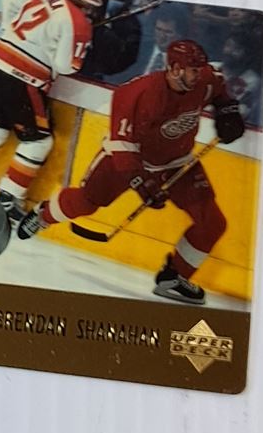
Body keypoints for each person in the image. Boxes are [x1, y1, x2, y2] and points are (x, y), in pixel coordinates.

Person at [18, 39, 244, 303]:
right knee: (87, 202)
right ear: (174, 68)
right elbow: (123, 149)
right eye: (193, 69)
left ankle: (173, 278)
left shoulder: (205, 79)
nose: (199, 74)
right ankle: (44, 215)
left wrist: (228, 112)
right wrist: (143, 185)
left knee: (212, 222)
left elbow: (220, 92)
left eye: (200, 68)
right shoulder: (135, 93)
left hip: (177, 162)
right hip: (127, 159)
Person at [0, 0, 101, 227]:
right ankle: (6, 203)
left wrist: (11, 34)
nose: (93, 2)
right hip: (22, 78)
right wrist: (59, 48)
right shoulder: (78, 22)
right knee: (38, 143)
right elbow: (66, 66)